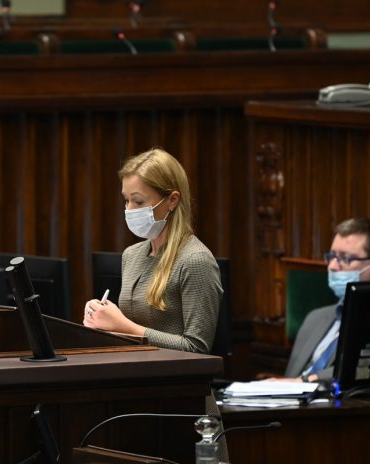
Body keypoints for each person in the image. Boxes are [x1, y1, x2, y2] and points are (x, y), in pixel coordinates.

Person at [82, 148, 228, 461]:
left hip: (182, 407)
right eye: (126, 200)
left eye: (138, 201)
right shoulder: (132, 256)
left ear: (172, 200)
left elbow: (198, 350)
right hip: (135, 401)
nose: (129, 209)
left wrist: (125, 327)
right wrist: (100, 322)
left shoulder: (195, 261)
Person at [284, 217, 370, 383]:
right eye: (331, 256)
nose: (332, 266)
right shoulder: (315, 318)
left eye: (345, 258)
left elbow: (366, 371)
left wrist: (306, 381)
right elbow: (289, 380)